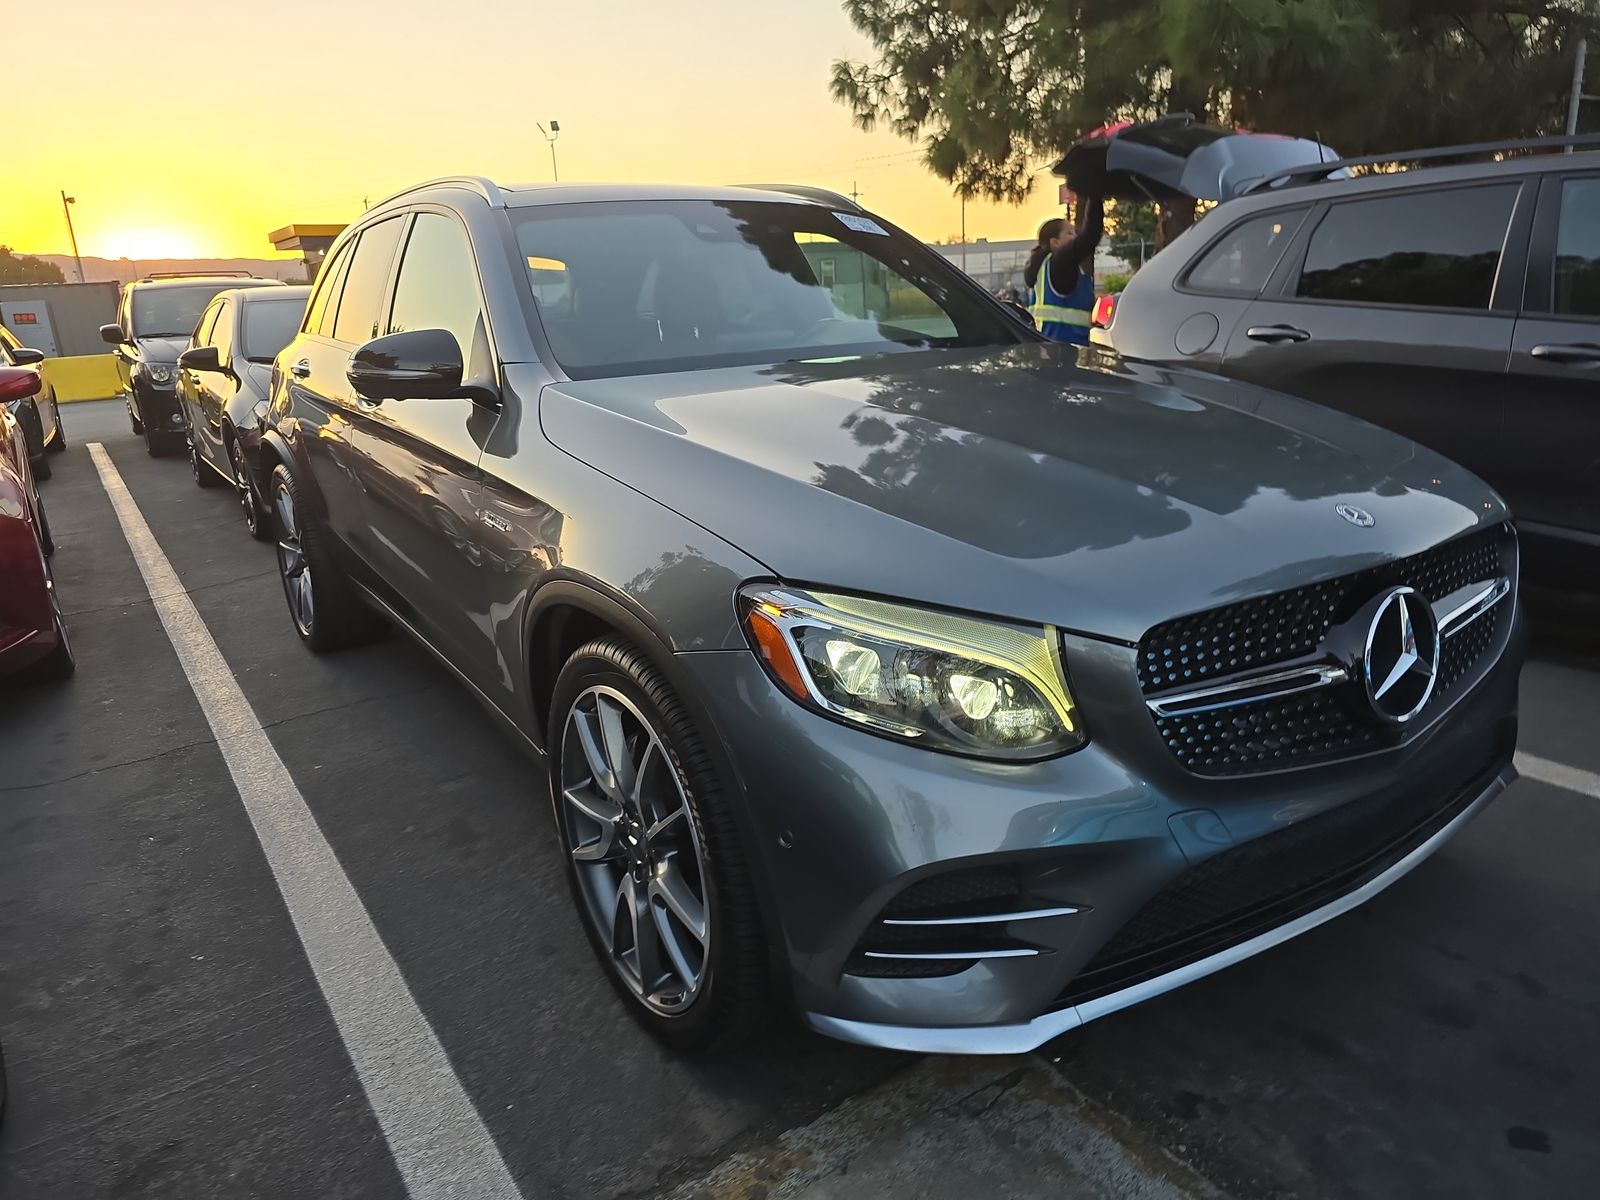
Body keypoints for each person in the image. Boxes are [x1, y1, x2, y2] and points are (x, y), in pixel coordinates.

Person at [1024, 195, 1104, 344]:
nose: (1075, 237)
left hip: (1046, 347)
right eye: (1070, 233)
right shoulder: (1060, 263)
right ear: (1055, 242)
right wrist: (1095, 195)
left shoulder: (1040, 268)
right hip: (1066, 350)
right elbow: (1089, 237)